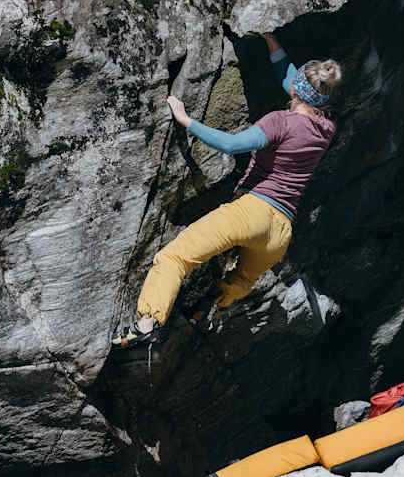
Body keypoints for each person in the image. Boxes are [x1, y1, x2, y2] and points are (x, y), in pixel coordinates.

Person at [113, 33, 343, 347]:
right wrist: (271, 41)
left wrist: (186, 120)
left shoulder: (280, 122)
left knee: (175, 257)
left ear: (298, 91)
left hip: (251, 212)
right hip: (280, 233)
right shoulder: (326, 128)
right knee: (241, 280)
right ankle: (210, 306)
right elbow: (292, 79)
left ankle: (147, 323)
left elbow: (232, 144)